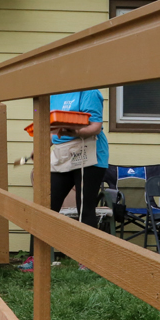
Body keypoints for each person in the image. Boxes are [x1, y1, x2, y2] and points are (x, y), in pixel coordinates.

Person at [18, 89, 109, 272]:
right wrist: (42, 146)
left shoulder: (89, 92)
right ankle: (36, 258)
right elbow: (52, 130)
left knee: (85, 206)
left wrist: (71, 130)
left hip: (90, 153)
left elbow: (95, 126)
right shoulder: (54, 94)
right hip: (63, 155)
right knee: (45, 204)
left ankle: (87, 260)